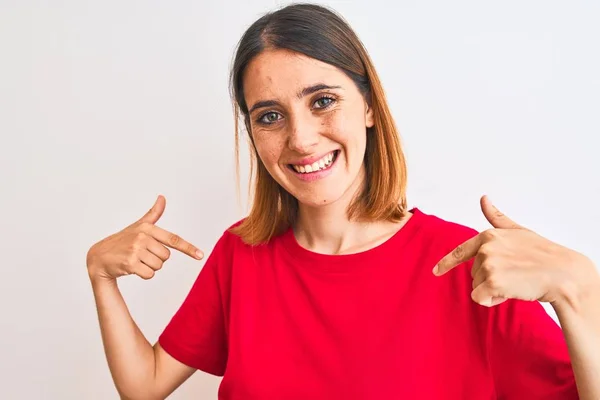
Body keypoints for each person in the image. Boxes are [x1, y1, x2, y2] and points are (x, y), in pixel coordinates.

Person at [86, 3, 600, 399]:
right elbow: (146, 384)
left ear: (370, 107)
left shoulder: (468, 265)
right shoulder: (242, 254)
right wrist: (101, 275)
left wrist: (580, 289)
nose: (301, 139)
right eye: (269, 116)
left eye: (323, 101)